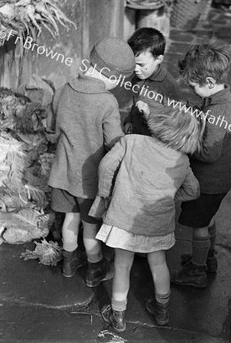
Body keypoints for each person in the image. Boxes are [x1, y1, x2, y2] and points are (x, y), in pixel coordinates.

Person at [89, 100, 203, 332]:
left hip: (123, 217)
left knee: (122, 265)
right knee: (159, 263)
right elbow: (194, 191)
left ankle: (118, 315)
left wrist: (106, 192)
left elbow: (106, 166)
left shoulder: (132, 142)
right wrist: (169, 198)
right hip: (157, 223)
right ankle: (161, 310)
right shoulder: (181, 160)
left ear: (159, 121)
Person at [47, 37, 135, 288]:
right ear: (110, 74)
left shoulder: (64, 89)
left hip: (61, 174)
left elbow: (50, 127)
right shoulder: (107, 102)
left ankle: (68, 262)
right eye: (118, 80)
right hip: (89, 181)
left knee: (69, 221)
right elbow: (114, 142)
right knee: (89, 227)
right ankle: (95, 268)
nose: (117, 86)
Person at [171, 40, 231, 288]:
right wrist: (196, 113)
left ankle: (196, 272)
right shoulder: (218, 101)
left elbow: (209, 153)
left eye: (193, 86)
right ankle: (208, 257)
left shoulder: (218, 112)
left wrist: (185, 143)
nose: (191, 89)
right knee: (207, 220)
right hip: (217, 182)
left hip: (209, 182)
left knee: (198, 225)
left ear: (209, 83)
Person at [123, 27, 181, 135]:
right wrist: (129, 121)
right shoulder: (138, 77)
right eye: (133, 63)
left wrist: (148, 115)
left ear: (158, 59)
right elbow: (135, 103)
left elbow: (172, 122)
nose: (135, 69)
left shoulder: (168, 86)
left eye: (141, 65)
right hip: (137, 133)